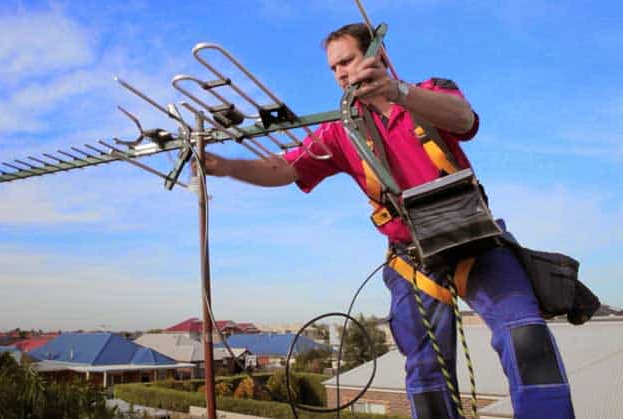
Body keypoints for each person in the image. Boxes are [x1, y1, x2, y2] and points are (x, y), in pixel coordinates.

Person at [200, 23, 575, 419]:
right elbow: (284, 169)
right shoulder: (340, 130)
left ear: (377, 54)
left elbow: (464, 120)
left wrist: (397, 93)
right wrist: (226, 167)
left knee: (525, 335)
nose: (341, 73)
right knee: (427, 369)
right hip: (412, 258)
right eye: (333, 68)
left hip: (474, 240)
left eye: (347, 60)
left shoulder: (429, 91)